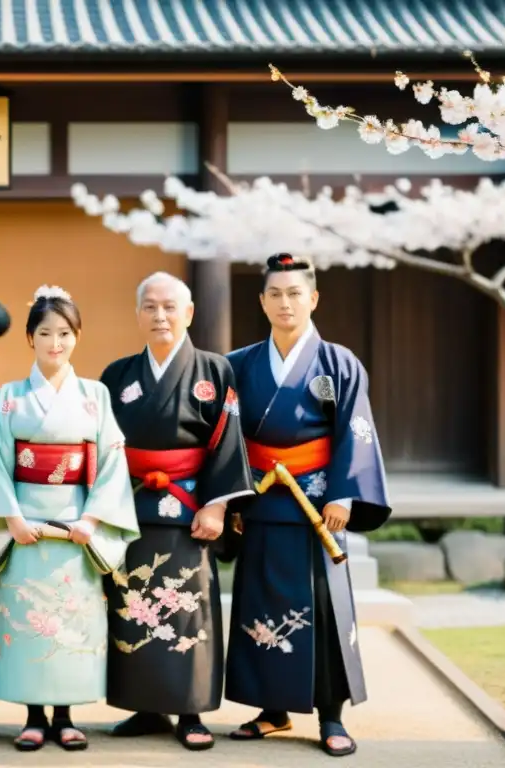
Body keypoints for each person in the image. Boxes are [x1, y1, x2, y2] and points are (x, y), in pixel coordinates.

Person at [223, 253, 392, 758]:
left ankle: (331, 714)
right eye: (274, 294)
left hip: (317, 506)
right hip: (260, 503)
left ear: (313, 298)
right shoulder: (239, 364)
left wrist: (343, 493)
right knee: (260, 602)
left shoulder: (339, 364)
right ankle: (271, 709)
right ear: (262, 301)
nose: (285, 303)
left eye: (295, 293)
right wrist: (231, 496)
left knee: (321, 608)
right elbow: (226, 438)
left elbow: (355, 432)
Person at [0, 285, 140, 753]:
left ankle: (66, 715)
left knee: (74, 620)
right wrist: (11, 520)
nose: (55, 343)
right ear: (29, 338)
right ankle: (33, 716)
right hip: (25, 527)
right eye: (45, 333)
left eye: (64, 333)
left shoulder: (95, 396)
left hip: (76, 526)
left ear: (77, 337)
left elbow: (111, 462)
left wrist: (95, 521)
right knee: (26, 617)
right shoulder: (9, 398)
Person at [98, 272, 254, 751]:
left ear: (189, 313)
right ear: (138, 314)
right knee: (133, 607)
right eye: (150, 306)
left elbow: (228, 442)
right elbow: (103, 449)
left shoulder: (214, 372)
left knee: (189, 611)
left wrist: (215, 505)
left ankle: (189, 710)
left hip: (189, 511)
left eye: (170, 306)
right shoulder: (117, 375)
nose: (159, 315)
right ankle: (146, 706)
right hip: (131, 507)